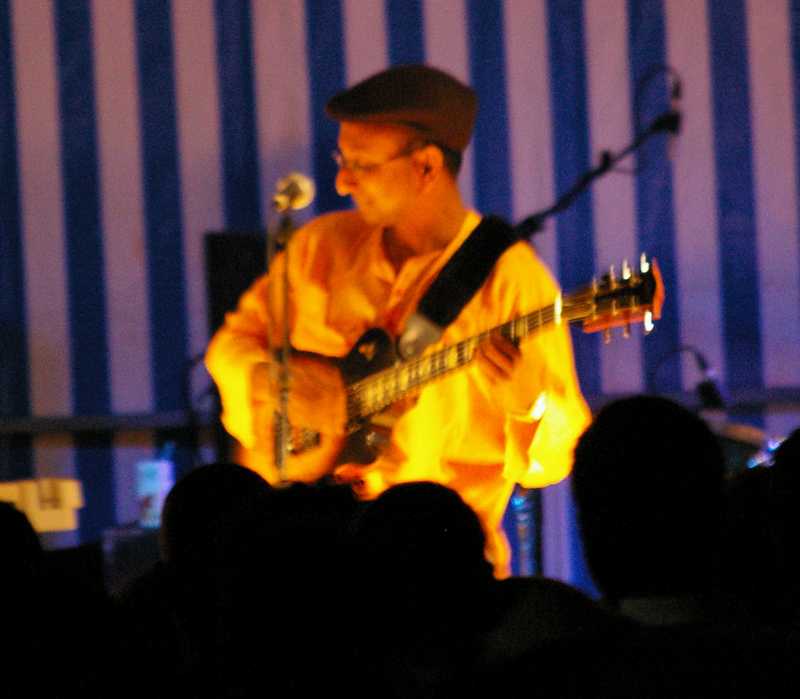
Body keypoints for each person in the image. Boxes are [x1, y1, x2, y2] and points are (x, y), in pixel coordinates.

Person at [205, 64, 590, 576]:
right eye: (342, 160)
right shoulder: (321, 247)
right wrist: (272, 382)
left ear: (426, 166)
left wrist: (528, 405)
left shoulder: (512, 280)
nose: (342, 181)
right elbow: (230, 346)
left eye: (361, 165)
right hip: (311, 560)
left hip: (442, 573)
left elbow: (559, 456)